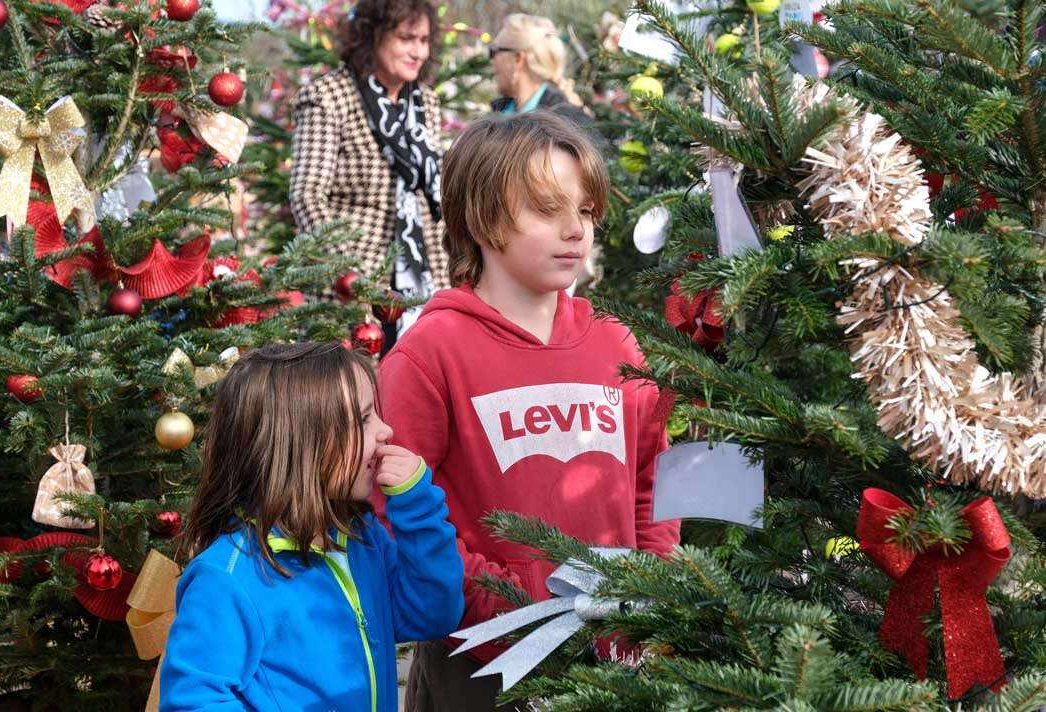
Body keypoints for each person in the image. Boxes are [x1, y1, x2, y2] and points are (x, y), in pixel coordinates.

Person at [375, 113, 681, 711]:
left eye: (586, 211)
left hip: (618, 653)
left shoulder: (616, 344)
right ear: (484, 219)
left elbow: (654, 476)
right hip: (483, 658)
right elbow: (394, 505)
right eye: (547, 211)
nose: (576, 231)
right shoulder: (429, 354)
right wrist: (495, 602)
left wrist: (651, 582)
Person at [160, 342, 463, 712]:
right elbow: (193, 702)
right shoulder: (225, 579)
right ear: (306, 444)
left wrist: (418, 509)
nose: (386, 430)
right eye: (365, 419)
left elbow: (432, 615)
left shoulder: (360, 538)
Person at [290, 0, 446, 339]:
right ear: (372, 35)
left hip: (424, 282)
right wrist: (349, 275)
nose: (418, 51)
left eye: (424, 40)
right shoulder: (330, 96)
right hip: (351, 292)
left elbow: (434, 197)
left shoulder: (426, 103)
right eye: (407, 38)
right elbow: (307, 196)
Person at [488, 14, 591, 129]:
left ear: (518, 59)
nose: (491, 61)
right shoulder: (501, 111)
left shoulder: (568, 128)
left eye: (493, 51)